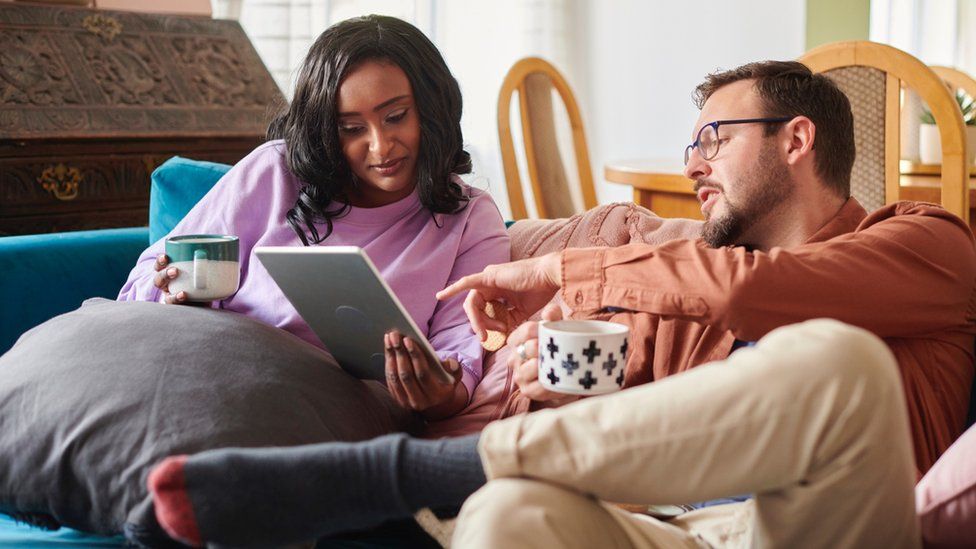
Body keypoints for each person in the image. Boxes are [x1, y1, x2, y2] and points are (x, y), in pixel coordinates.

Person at [144, 60, 976, 547]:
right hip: (670, 528)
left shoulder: (930, 241)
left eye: (714, 139)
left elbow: (763, 291)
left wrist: (567, 271)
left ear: (796, 140)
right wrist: (487, 384)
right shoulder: (684, 291)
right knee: (512, 512)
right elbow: (622, 403)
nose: (693, 165)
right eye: (692, 146)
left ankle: (389, 479)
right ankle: (416, 486)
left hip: (818, 526)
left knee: (839, 357)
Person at [118, 15, 510, 422]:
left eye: (395, 117)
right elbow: (144, 280)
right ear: (326, 131)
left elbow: (462, 354)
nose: (380, 146)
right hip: (203, 372)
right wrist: (170, 292)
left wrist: (438, 393)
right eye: (352, 129)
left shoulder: (469, 218)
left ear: (431, 110)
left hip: (330, 415)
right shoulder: (274, 172)